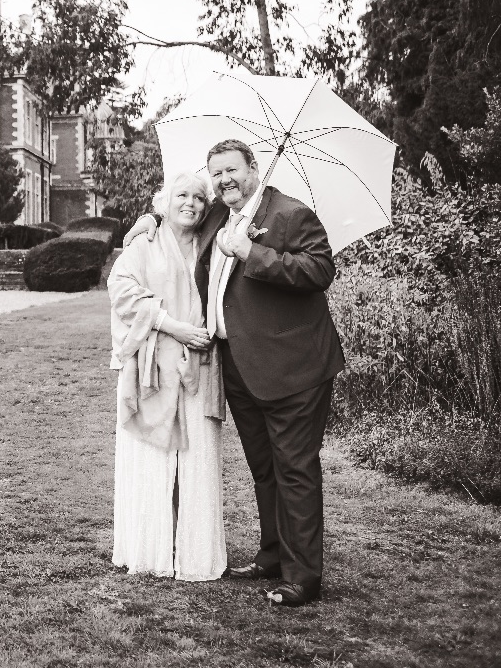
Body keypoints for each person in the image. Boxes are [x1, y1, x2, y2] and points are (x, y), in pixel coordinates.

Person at [125, 139, 344, 607]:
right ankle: (272, 555)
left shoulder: (290, 214)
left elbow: (321, 270)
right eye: (216, 172)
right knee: (264, 468)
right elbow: (176, 215)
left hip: (294, 367)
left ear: (253, 169)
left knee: (295, 469)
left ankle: (303, 577)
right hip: (240, 368)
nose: (224, 179)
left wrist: (251, 252)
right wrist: (148, 221)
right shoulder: (217, 217)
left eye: (232, 170)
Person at [109, 172, 226, 582]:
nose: (190, 203)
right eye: (182, 195)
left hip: (199, 364)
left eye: (199, 197)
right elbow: (121, 290)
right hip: (152, 367)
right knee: (152, 458)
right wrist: (173, 326)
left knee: (195, 459)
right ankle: (152, 547)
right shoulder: (145, 242)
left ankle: (192, 550)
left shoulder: (212, 245)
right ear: (164, 201)